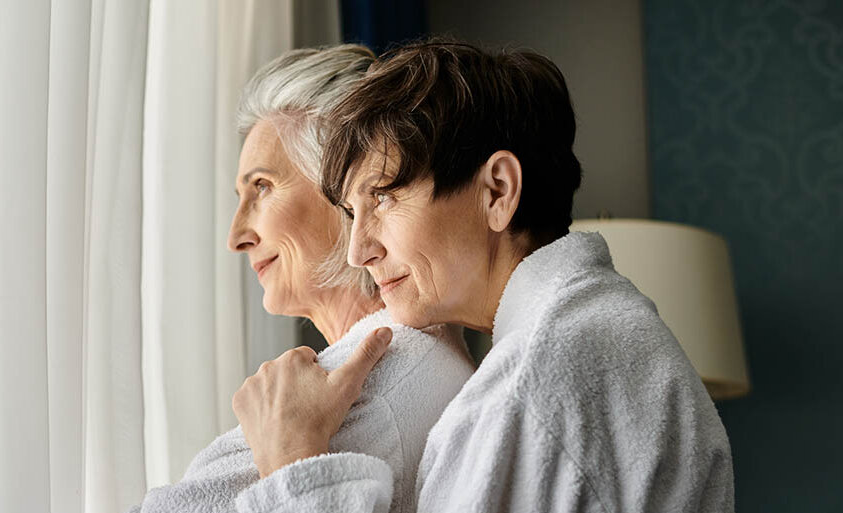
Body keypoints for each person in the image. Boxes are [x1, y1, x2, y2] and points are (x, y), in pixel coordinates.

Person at [231, 40, 735, 512]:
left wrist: (292, 460)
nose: (359, 249)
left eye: (383, 196)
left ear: (497, 191)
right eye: (351, 211)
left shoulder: (530, 389)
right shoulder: (599, 332)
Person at [129, 45, 476, 513]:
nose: (237, 236)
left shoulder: (357, 394)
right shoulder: (421, 361)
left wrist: (291, 450)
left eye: (263, 187)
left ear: (346, 191)